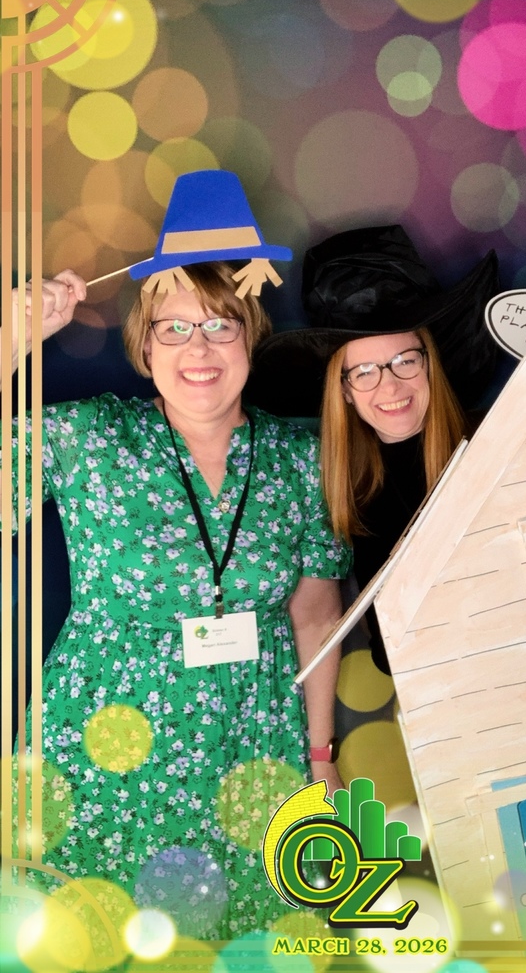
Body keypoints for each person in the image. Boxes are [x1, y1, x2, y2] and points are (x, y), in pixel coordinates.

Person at [2, 171, 350, 942]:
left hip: (252, 755)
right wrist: (13, 344)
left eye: (220, 326)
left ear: (250, 336)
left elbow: (316, 614)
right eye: (174, 328)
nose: (199, 350)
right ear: (144, 344)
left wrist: (320, 761)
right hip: (102, 755)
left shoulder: (302, 456)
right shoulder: (89, 439)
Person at [249, 225, 500, 673]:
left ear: (430, 363)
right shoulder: (347, 489)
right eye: (364, 371)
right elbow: (389, 649)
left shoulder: (495, 445)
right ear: (343, 390)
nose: (390, 385)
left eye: (405, 360)